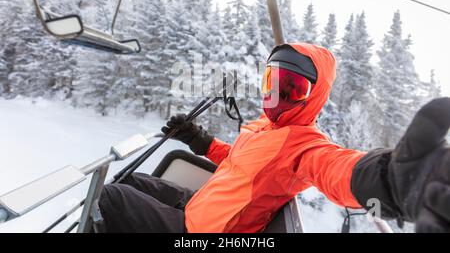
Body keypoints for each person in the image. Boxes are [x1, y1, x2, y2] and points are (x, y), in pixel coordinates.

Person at [97, 43, 450, 233]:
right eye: (271, 83)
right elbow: (236, 163)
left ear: (313, 96)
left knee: (111, 196)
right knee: (133, 179)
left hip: (204, 231)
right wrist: (197, 140)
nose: (276, 96)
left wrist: (390, 180)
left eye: (291, 88)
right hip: (197, 206)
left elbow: (337, 168)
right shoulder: (262, 129)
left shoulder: (304, 145)